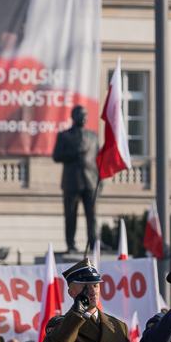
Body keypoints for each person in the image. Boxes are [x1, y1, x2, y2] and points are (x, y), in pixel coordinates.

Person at [52, 105, 99, 256]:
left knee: (92, 214)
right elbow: (56, 156)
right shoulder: (65, 135)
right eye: (80, 114)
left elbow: (98, 159)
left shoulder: (93, 136)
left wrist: (100, 179)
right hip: (72, 182)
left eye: (85, 114)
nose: (83, 117)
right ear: (73, 117)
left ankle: (94, 241)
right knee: (71, 215)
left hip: (90, 181)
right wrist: (75, 152)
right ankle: (70, 243)